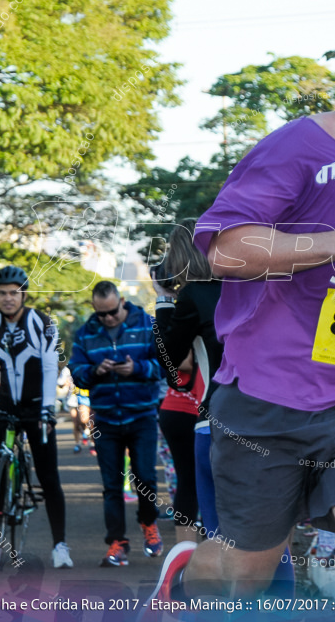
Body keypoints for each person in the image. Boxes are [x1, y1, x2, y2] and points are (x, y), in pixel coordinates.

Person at [156, 2, 335, 602]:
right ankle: (188, 574)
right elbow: (223, 250)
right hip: (269, 401)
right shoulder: (297, 148)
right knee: (246, 576)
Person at [0, 265, 72, 568]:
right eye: (2, 293)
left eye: (14, 292)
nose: (8, 298)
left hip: (37, 406)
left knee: (49, 476)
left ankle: (60, 545)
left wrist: (47, 408)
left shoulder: (42, 323)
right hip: (5, 406)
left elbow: (51, 367)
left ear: (23, 294)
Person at [70, 281, 163, 566]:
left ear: (122, 301)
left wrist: (138, 368)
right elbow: (76, 373)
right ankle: (117, 541)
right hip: (106, 419)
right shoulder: (85, 334)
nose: (108, 318)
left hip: (142, 415)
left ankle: (148, 523)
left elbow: (166, 365)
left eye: (112, 312)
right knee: (112, 485)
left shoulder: (147, 325)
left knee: (145, 477)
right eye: (102, 314)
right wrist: (95, 371)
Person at [152, 218, 223, 546]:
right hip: (270, 416)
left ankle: (192, 586)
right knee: (266, 525)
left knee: (213, 523)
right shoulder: (251, 286)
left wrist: (164, 300)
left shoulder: (194, 294)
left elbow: (172, 370)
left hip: (216, 418)